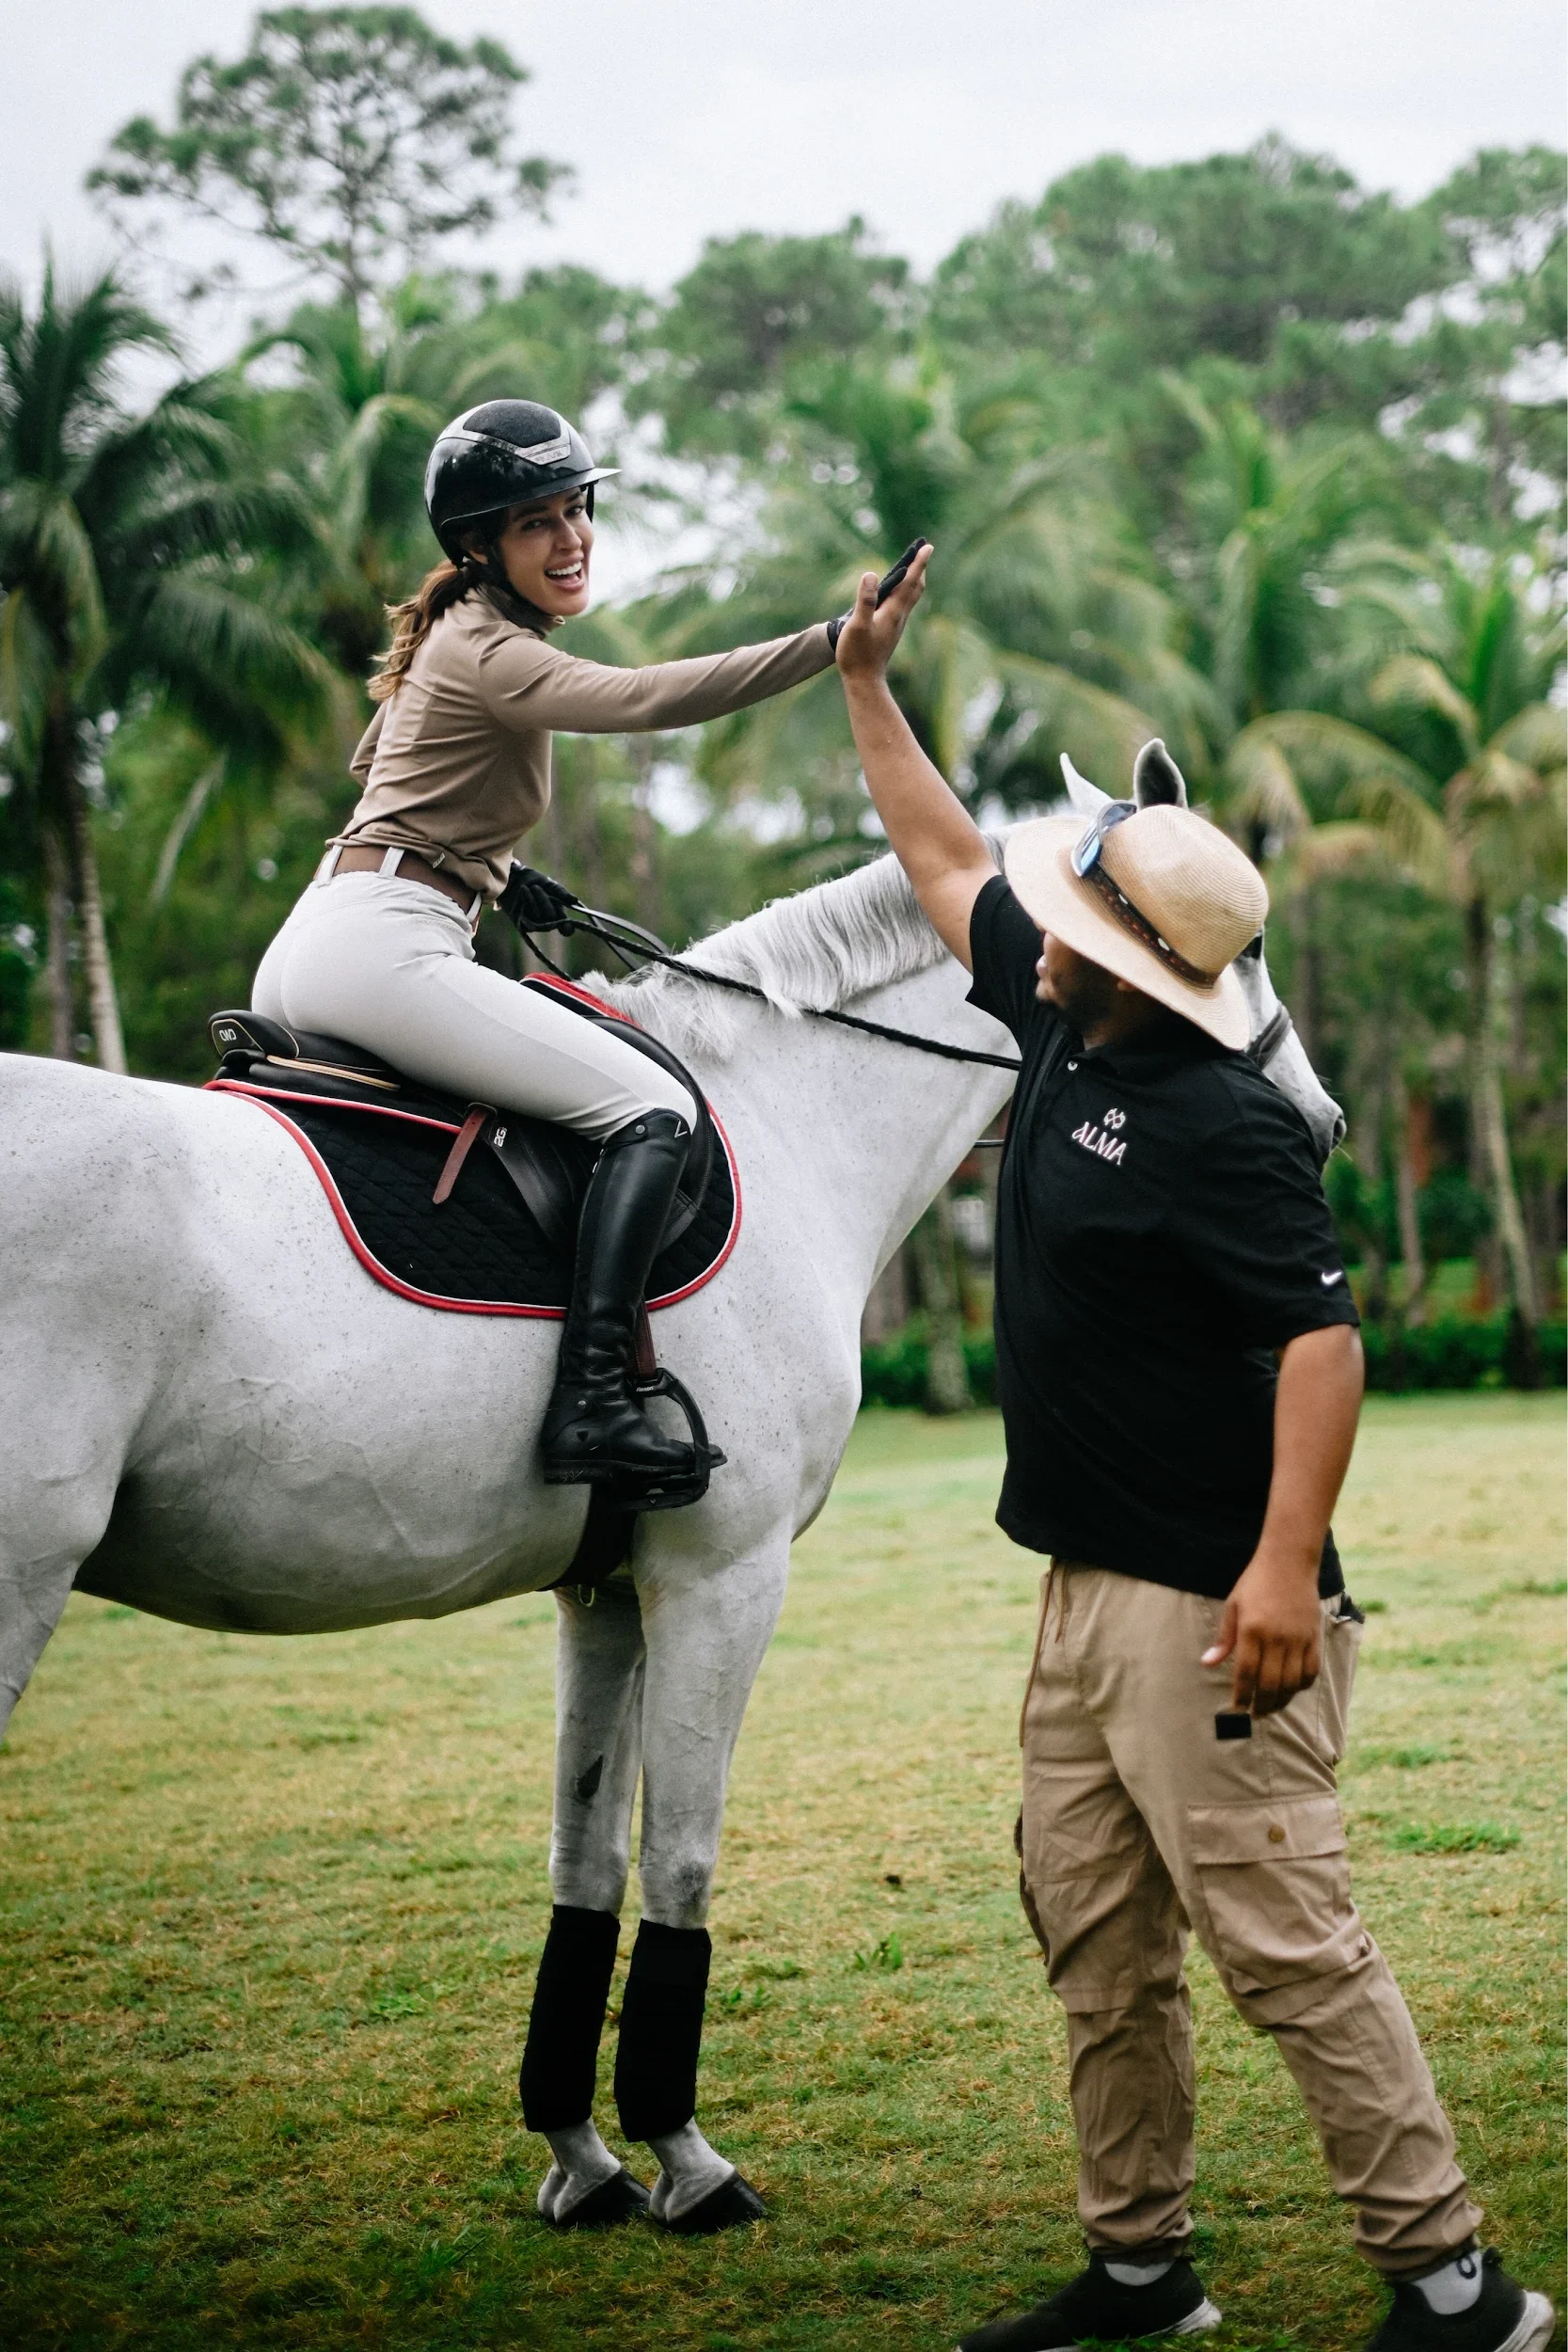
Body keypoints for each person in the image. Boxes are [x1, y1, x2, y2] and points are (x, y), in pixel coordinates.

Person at [830, 549, 1555, 2352]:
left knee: (1286, 1949)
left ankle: (1455, 2290)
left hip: (1214, 1613)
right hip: (1083, 1595)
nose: (1037, 928)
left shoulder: (1225, 1121)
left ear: (1141, 967)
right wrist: (863, 685)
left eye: (1069, 920)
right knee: (1094, 1939)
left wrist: (1280, 1568)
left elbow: (1325, 1342)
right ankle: (1141, 2268)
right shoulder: (1063, 1026)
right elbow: (937, 860)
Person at [254, 400, 837, 1502]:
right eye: (537, 522)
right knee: (650, 1112)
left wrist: (492, 870)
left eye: (578, 509)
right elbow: (643, 697)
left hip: (328, 932)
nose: (570, 538)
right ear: (480, 545)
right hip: (385, 947)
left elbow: (385, 771)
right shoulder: (492, 647)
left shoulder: (456, 632)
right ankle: (593, 1399)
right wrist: (828, 645)